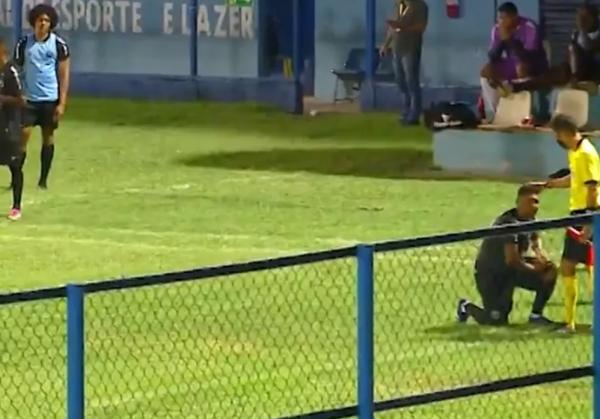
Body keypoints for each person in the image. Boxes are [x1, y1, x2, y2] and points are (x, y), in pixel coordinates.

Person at [529, 114, 600, 333]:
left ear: (565, 132)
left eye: (557, 135)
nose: (557, 139)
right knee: (587, 266)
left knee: (570, 267)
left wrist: (588, 222)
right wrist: (549, 184)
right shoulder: (576, 151)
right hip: (579, 215)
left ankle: (570, 323)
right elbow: (575, 179)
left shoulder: (586, 153)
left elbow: (593, 188)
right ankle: (575, 322)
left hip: (585, 215)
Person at [457, 185, 557, 326]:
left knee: (550, 270)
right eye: (531, 202)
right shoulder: (508, 224)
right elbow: (512, 260)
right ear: (519, 203)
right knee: (496, 320)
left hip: (510, 271)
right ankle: (466, 306)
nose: (535, 206)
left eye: (537, 202)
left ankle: (536, 316)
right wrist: (535, 269)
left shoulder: (530, 219)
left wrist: (541, 257)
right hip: (491, 273)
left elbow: (535, 239)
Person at [13, 4, 70, 190]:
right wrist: (17, 94)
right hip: (29, 100)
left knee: (48, 137)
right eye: (40, 20)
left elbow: (64, 74)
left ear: (51, 23)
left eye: (46, 20)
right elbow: (16, 71)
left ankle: (43, 180)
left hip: (49, 99)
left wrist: (62, 102)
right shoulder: (24, 44)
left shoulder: (58, 44)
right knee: (23, 137)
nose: (43, 23)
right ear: (33, 22)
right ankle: (16, 178)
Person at [502, 4, 600, 96]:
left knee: (572, 52)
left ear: (596, 18)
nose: (581, 20)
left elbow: (589, 48)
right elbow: (571, 58)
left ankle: (573, 78)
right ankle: (516, 87)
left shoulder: (585, 34)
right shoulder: (577, 34)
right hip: (576, 71)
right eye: (579, 16)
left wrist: (582, 32)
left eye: (585, 16)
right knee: (554, 73)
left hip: (594, 72)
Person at [480, 2, 547, 118]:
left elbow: (527, 58)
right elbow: (492, 57)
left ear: (514, 17)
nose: (501, 21)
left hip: (535, 64)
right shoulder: (497, 28)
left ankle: (525, 113)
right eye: (499, 18)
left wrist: (509, 39)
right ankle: (497, 111)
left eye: (504, 18)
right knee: (486, 70)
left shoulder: (529, 26)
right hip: (512, 64)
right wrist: (501, 41)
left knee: (522, 67)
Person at [379, 0, 428, 126]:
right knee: (400, 81)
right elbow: (392, 28)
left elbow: (421, 27)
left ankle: (414, 115)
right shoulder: (398, 5)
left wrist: (403, 27)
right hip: (397, 48)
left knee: (412, 81)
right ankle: (406, 111)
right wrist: (386, 44)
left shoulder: (420, 5)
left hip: (410, 48)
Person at [0, 39, 25, 220]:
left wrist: (2, 100)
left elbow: (20, 100)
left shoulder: (10, 71)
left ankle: (16, 206)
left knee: (14, 166)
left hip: (9, 125)